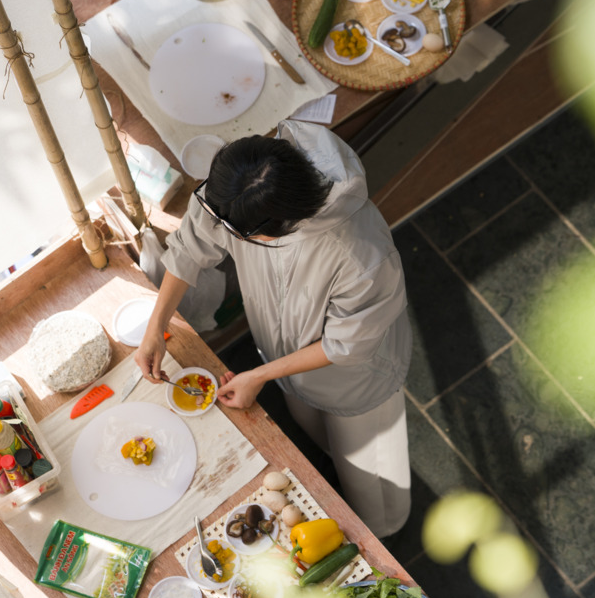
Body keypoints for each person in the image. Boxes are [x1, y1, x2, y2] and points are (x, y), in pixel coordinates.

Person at [134, 120, 412, 537]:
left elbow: (344, 344)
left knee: (372, 479)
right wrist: (156, 325)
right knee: (321, 437)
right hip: (282, 357)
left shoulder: (360, 255)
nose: (223, 235)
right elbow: (192, 243)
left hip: (356, 379)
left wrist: (260, 376)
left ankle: (386, 531)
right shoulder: (240, 183)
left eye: (240, 236)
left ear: (279, 228)